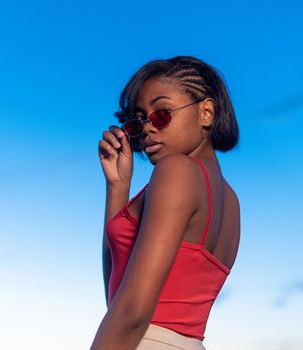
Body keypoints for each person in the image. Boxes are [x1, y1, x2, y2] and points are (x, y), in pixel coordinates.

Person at [90, 56, 241, 350]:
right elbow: (118, 296)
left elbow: (131, 313)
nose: (147, 128)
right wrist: (118, 186)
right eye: (139, 121)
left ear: (207, 113)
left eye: (162, 114)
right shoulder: (230, 200)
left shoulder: (176, 170)